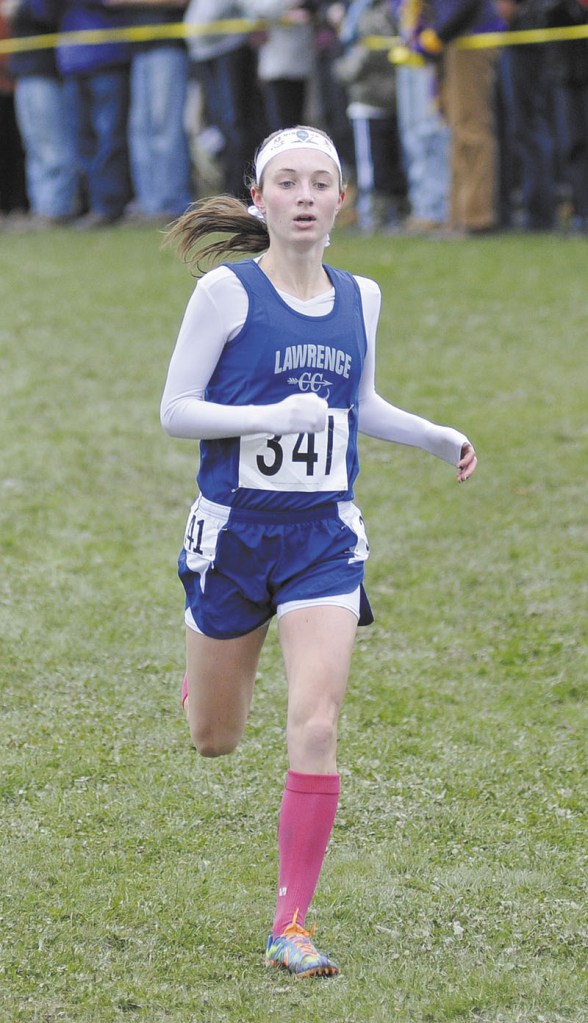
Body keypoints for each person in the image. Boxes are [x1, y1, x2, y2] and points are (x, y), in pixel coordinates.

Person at [160, 124, 478, 977]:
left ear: (342, 199)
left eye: (320, 182)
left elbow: (360, 401)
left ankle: (291, 925)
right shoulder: (226, 294)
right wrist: (268, 416)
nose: (305, 196)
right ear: (260, 201)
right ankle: (210, 669)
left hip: (322, 538)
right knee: (215, 738)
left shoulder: (361, 296)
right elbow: (176, 408)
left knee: (317, 723)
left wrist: (434, 435)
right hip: (234, 533)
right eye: (288, 183)